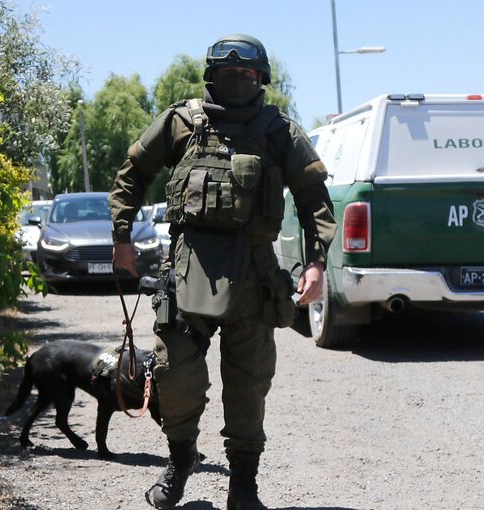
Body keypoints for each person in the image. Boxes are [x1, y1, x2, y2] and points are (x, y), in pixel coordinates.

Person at [109, 34, 337, 510]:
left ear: (262, 80)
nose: (239, 79)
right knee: (175, 378)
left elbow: (314, 196)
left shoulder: (279, 132)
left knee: (249, 385)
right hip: (187, 268)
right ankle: (180, 461)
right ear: (212, 76)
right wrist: (122, 237)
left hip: (253, 274)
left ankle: (244, 485)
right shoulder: (181, 122)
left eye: (248, 74)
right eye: (230, 73)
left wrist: (316, 263)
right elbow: (132, 172)